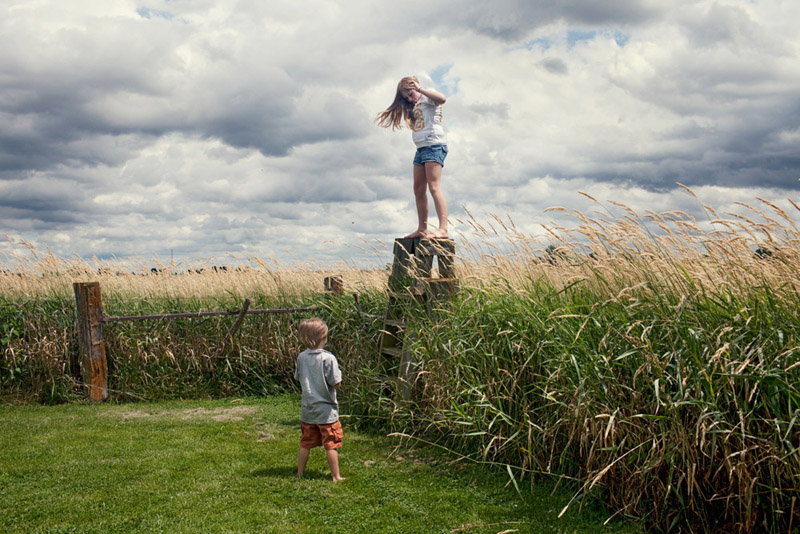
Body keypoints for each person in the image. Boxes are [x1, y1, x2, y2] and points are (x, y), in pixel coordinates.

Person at [377, 76, 449, 239]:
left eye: (410, 94)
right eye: (406, 97)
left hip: (434, 145)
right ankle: (422, 229)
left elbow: (442, 99)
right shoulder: (414, 105)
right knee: (418, 188)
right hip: (421, 149)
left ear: (415, 87)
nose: (410, 99)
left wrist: (419, 90)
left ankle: (443, 228)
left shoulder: (427, 96)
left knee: (434, 186)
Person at [294, 317, 345, 482]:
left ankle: (300, 473)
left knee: (305, 442)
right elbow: (336, 383)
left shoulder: (302, 357)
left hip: (308, 409)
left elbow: (298, 377)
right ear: (324, 337)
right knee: (331, 443)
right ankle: (336, 476)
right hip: (326, 411)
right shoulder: (328, 358)